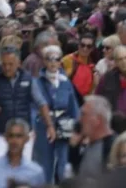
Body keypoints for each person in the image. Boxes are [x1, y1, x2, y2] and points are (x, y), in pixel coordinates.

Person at [0, 45, 56, 161]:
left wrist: (50, 126)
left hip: (23, 135)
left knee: (23, 173)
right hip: (0, 135)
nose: (7, 68)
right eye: (4, 64)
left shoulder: (28, 79)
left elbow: (41, 103)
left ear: (18, 63)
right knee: (0, 172)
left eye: (10, 64)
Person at [33, 45, 80, 184]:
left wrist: (78, 128)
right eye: (49, 59)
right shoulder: (37, 82)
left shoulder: (66, 82)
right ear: (44, 61)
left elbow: (73, 105)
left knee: (63, 164)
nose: (53, 62)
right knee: (45, 163)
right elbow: (33, 106)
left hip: (64, 125)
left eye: (57, 59)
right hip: (43, 126)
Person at [0, 119, 46, 188]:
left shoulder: (36, 172)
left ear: (27, 139)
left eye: (19, 136)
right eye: (11, 136)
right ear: (5, 138)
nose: (14, 141)